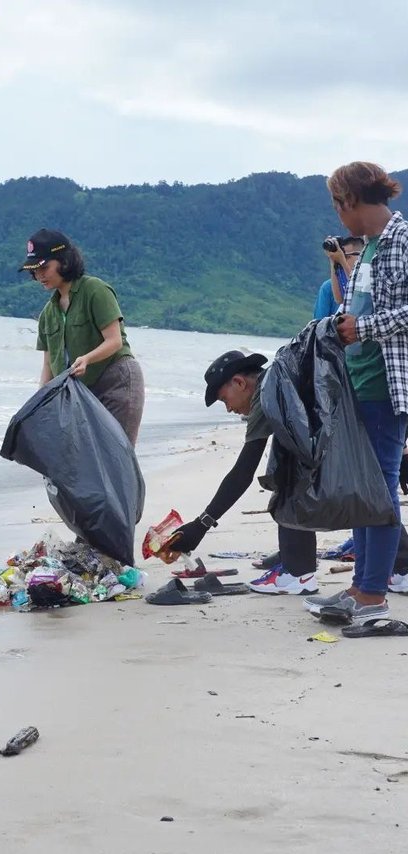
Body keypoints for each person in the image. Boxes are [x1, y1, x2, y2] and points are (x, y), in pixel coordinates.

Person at [304, 161, 408, 623]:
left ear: (350, 201)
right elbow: (351, 308)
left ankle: (373, 596)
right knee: (362, 488)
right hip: (359, 382)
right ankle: (361, 586)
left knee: (380, 488)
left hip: (389, 383)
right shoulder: (365, 248)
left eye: (336, 204)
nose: (337, 214)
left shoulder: (402, 240)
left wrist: (362, 327)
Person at [164, 350, 319, 595]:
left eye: (225, 400)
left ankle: (299, 574)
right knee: (290, 473)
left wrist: (201, 525)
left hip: (340, 440)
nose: (228, 410)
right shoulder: (279, 381)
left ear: (239, 382)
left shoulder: (266, 394)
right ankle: (400, 569)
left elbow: (243, 472)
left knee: (291, 481)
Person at [19, 228, 144, 445]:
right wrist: (37, 404)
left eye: (44, 268)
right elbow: (48, 366)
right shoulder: (48, 315)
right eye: (34, 270)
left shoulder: (95, 290)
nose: (39, 276)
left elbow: (114, 341)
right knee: (82, 463)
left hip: (116, 381)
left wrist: (87, 358)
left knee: (117, 456)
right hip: (80, 393)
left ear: (64, 261)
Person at [313, 236, 365, 319]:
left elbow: (356, 288)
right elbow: (339, 299)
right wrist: (332, 259)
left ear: (361, 256)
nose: (342, 259)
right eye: (342, 256)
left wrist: (342, 261)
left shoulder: (369, 281)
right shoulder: (328, 287)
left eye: (347, 257)